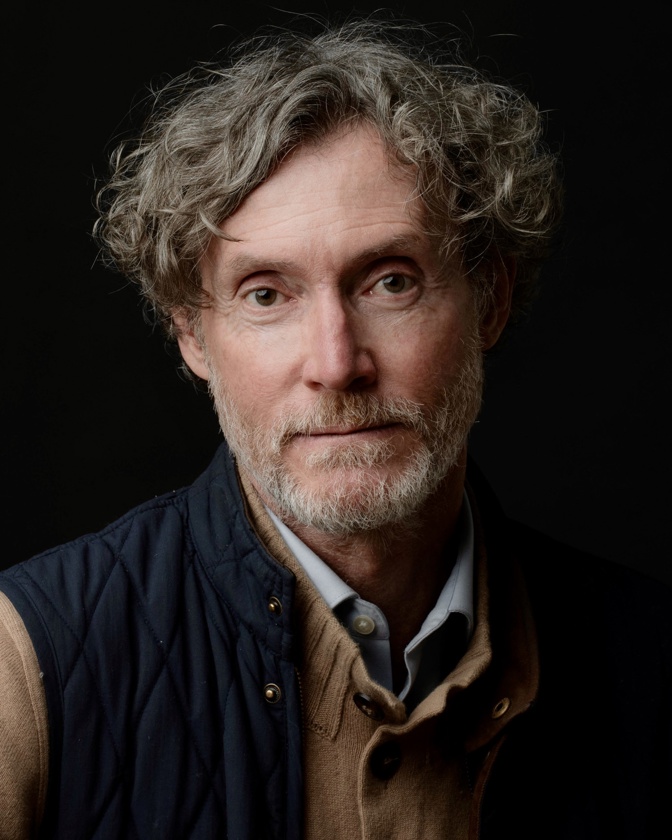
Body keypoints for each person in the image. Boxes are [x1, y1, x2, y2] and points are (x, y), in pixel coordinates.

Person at [1, 19, 670, 840]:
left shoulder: (650, 662)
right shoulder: (23, 667)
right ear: (192, 336)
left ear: (489, 301)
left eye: (390, 282)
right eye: (266, 294)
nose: (336, 362)